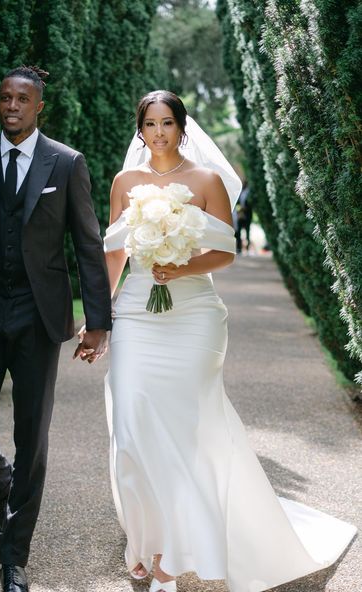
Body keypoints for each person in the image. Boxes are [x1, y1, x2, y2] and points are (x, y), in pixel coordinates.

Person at [103, 90, 355, 592]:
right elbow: (114, 252)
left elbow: (224, 252)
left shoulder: (206, 180)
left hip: (195, 313)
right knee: (131, 429)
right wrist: (100, 316)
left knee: (187, 430)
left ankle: (171, 560)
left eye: (168, 123)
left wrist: (184, 264)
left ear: (182, 127)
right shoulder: (124, 182)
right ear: (140, 130)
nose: (158, 133)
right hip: (136, 312)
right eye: (150, 124)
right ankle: (143, 538)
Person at [0, 65, 111, 592]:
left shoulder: (66, 162)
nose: (11, 106)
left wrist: (97, 322)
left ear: (38, 108)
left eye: (21, 99)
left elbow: (87, 244)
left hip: (38, 317)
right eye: (4, 97)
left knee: (32, 437)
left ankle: (15, 558)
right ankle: (6, 490)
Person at [234, 180, 252, 254]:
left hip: (247, 215)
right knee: (238, 232)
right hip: (240, 215)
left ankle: (247, 249)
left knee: (247, 232)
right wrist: (239, 210)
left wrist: (245, 208)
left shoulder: (249, 193)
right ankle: (239, 248)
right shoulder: (240, 193)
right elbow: (237, 203)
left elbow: (250, 204)